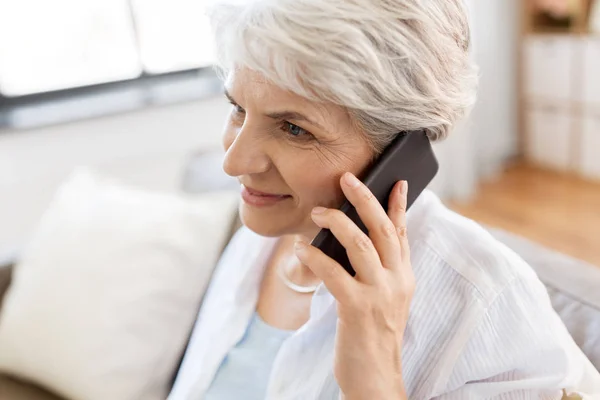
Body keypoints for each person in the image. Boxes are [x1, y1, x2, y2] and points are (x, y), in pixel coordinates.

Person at [169, 0, 600, 399]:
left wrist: (375, 375)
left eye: (294, 129)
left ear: (398, 150)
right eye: (237, 108)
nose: (233, 162)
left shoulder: (484, 305)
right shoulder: (265, 228)